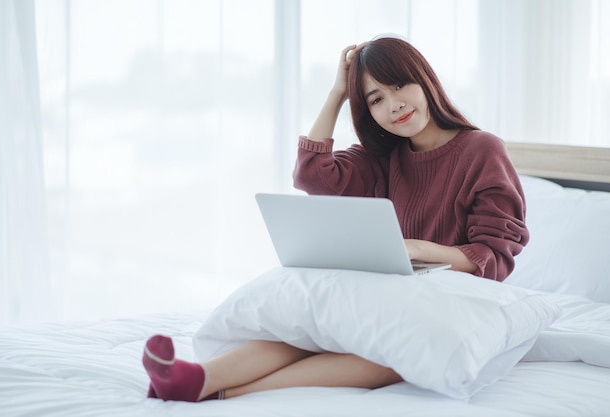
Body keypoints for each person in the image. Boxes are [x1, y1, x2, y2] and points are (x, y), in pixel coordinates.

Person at [142, 35, 529, 402]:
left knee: (394, 354)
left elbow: (493, 255)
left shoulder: (482, 150)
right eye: (375, 99)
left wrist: (415, 248)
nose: (392, 105)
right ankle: (197, 376)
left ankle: (221, 392)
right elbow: (311, 175)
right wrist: (337, 94)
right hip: (389, 292)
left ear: (426, 80)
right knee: (302, 332)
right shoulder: (383, 155)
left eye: (399, 85)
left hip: (449, 299)